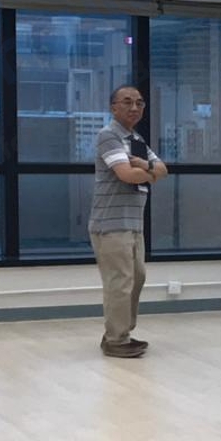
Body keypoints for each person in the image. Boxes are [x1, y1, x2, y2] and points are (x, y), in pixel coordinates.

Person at [90, 86, 165, 359]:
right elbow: (126, 175)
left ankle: (122, 333)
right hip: (110, 223)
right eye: (127, 102)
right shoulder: (108, 135)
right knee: (119, 282)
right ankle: (116, 339)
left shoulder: (136, 140)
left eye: (139, 103)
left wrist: (144, 167)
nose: (135, 107)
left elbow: (163, 169)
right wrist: (149, 172)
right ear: (113, 107)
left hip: (133, 223)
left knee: (137, 278)